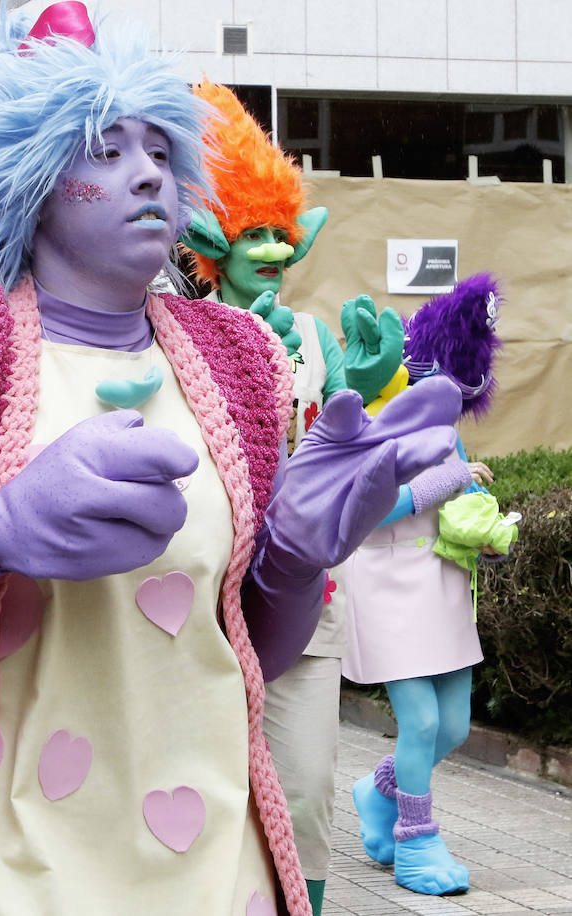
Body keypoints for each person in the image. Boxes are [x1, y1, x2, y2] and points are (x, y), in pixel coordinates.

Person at [0, 5, 462, 915]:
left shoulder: (244, 359)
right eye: (103, 149)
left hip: (217, 874)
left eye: (159, 149)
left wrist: (297, 561)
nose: (147, 171)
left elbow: (243, 650)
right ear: (27, 179)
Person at [178, 80, 365, 916]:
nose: (269, 250)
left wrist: (355, 396)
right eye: (250, 232)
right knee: (202, 793)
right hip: (199, 605)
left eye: (280, 234)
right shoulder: (169, 330)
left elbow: (337, 461)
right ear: (213, 239)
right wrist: (241, 353)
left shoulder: (318, 338)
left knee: (307, 791)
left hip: (307, 602)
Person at [345, 275, 515, 897]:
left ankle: (378, 790)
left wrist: (488, 534)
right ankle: (418, 842)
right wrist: (450, 482)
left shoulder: (450, 431)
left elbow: (458, 506)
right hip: (389, 584)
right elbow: (366, 510)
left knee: (454, 728)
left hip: (444, 582)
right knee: (419, 724)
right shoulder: (376, 418)